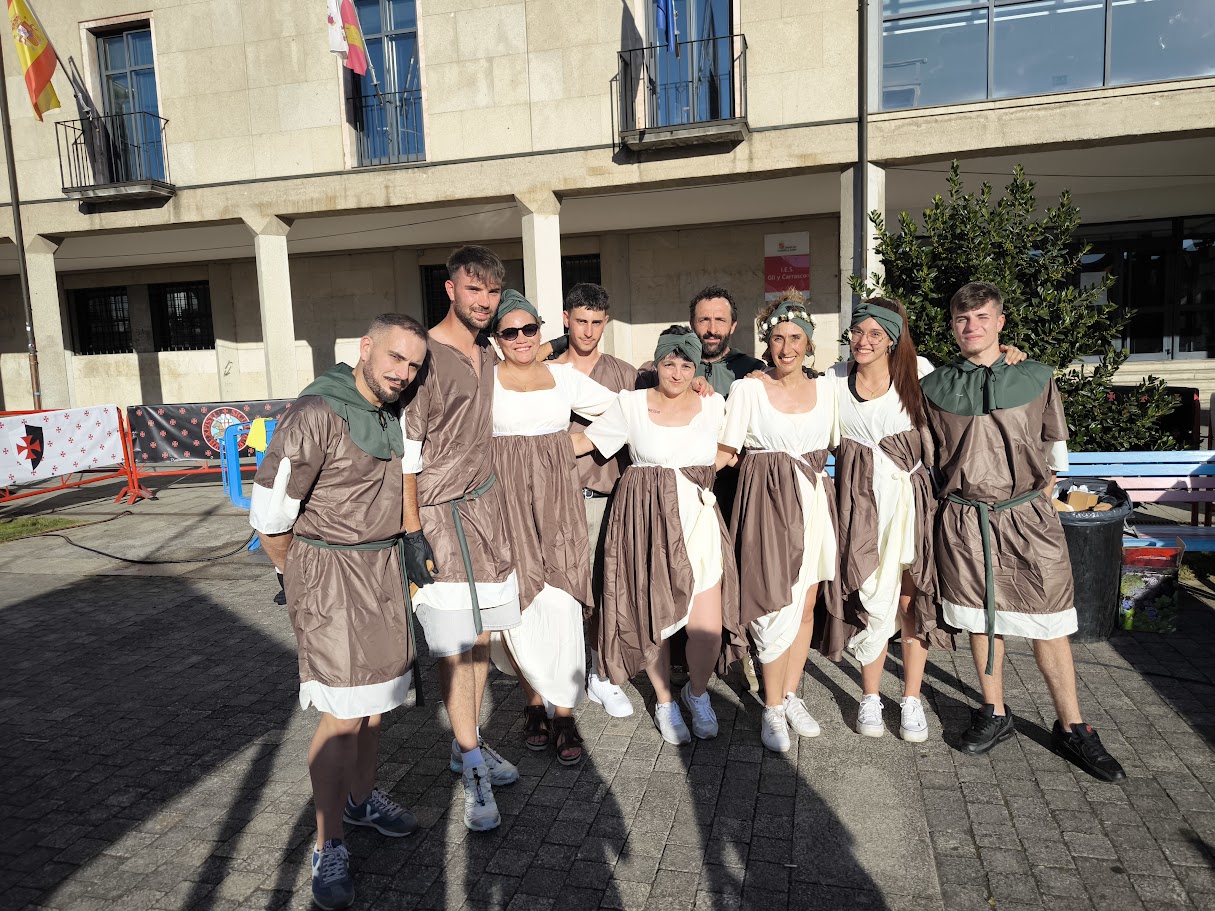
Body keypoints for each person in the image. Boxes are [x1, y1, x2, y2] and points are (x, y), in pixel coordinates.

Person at [251, 314, 429, 910]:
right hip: (331, 579)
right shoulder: (316, 412)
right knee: (342, 716)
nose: (403, 373)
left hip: (381, 572)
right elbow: (270, 515)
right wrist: (296, 576)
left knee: (376, 705)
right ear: (366, 347)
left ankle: (362, 799)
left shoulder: (388, 411)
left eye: (413, 365)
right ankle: (329, 846)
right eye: (395, 358)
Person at [921, 281, 1125, 782]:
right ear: (952, 325)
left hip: (1029, 515)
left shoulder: (1035, 376)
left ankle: (1074, 725)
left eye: (983, 318)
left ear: (1000, 322)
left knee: (1050, 619)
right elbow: (928, 457)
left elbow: (1055, 442)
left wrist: (1047, 489)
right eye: (963, 320)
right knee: (979, 618)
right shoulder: (934, 386)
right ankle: (994, 711)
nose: (972, 328)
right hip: (967, 518)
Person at [402, 245, 522, 833]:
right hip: (437, 513)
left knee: (480, 634)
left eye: (492, 292)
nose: (484, 302)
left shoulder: (490, 353)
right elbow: (405, 450)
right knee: (453, 642)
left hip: (487, 512)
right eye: (473, 290)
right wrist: (409, 529)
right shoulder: (424, 356)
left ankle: (463, 745)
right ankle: (471, 758)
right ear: (450, 290)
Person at [580, 326, 746, 744]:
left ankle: (697, 694)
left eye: (686, 364)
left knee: (704, 625)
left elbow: (733, 448)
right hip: (645, 523)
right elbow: (586, 442)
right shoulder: (631, 404)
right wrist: (527, 443)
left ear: (697, 367)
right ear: (656, 363)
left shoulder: (714, 405)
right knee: (654, 615)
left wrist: (688, 478)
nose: (676, 372)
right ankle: (665, 700)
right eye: (668, 363)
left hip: (697, 521)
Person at [487, 289, 617, 763]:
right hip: (505, 510)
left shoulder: (563, 378)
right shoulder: (485, 380)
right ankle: (533, 705)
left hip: (559, 507)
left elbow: (620, 411)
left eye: (529, 329)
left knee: (560, 603)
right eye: (510, 331)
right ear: (497, 338)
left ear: (541, 330)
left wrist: (574, 446)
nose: (521, 338)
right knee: (519, 606)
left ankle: (565, 714)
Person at [719, 292, 840, 753]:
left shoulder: (828, 390)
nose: (785, 347)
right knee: (772, 604)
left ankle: (789, 695)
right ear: (767, 344)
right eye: (777, 338)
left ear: (809, 344)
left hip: (812, 502)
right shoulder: (748, 389)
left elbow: (886, 387)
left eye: (795, 338)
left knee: (807, 604)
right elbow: (726, 452)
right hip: (767, 507)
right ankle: (770, 706)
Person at [825, 298, 947, 743]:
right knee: (869, 596)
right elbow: (791, 395)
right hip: (859, 504)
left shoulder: (921, 374)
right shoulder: (835, 379)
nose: (864, 341)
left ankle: (912, 698)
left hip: (909, 501)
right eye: (858, 331)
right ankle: (870, 696)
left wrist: (1009, 356)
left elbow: (967, 398)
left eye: (876, 334)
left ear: (893, 339)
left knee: (911, 600)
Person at [547, 282, 638, 718]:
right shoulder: (543, 370)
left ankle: (601, 673)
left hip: (606, 497)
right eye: (580, 321)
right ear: (566, 319)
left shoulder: (622, 374)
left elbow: (651, 405)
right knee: (561, 591)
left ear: (607, 323)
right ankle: (564, 672)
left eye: (596, 323)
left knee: (604, 588)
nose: (587, 331)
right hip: (554, 500)